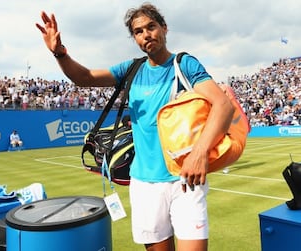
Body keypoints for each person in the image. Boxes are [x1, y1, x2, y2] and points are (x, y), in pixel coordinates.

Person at [36, 3, 234, 251]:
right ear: (135, 39)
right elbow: (84, 77)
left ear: (164, 28)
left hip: (184, 179)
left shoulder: (184, 65)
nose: (146, 34)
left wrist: (199, 152)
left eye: (151, 27)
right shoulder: (131, 69)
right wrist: (60, 53)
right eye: (138, 32)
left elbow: (223, 105)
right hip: (143, 183)